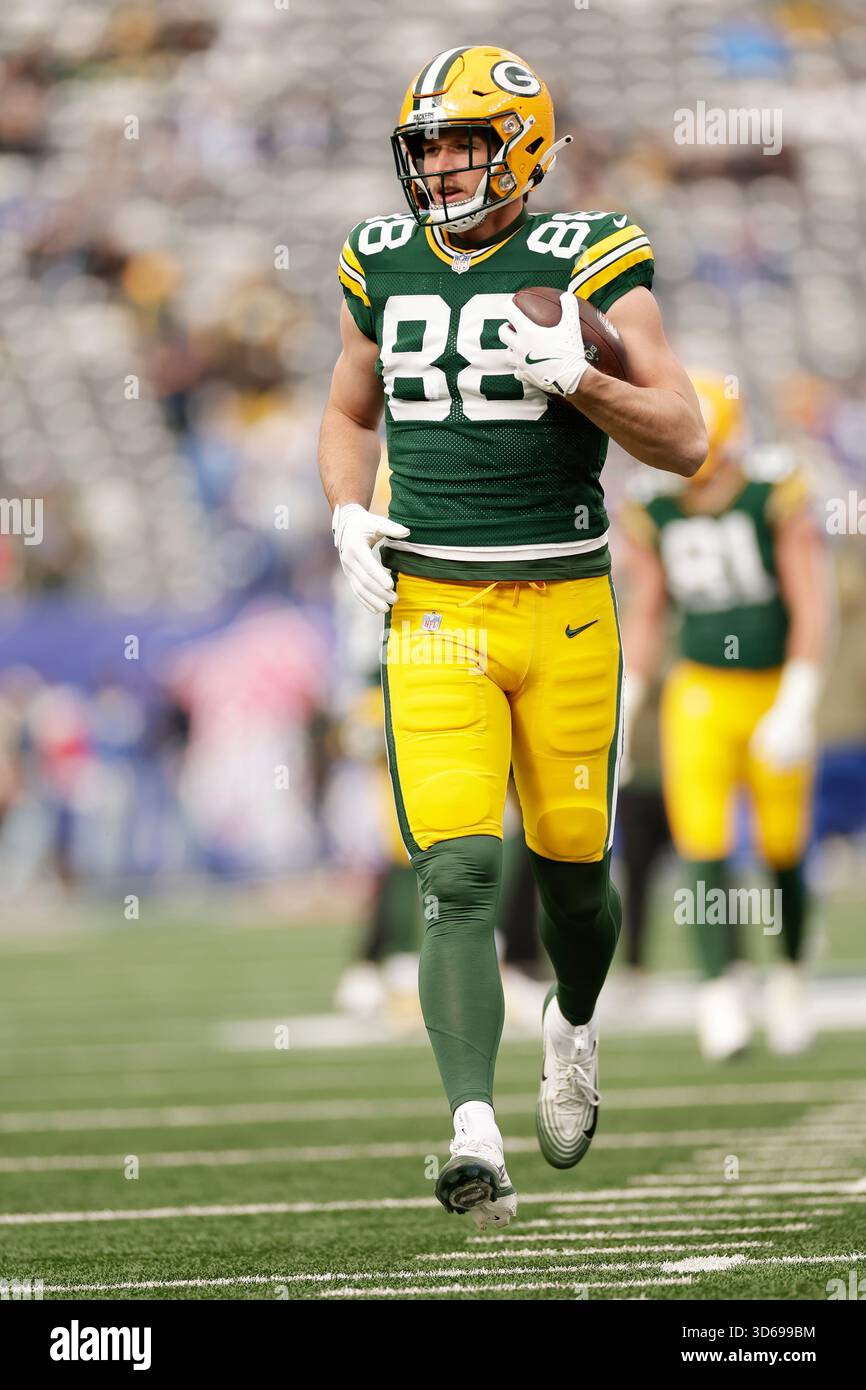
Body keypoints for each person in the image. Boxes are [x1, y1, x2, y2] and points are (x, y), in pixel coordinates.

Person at [319, 45, 706, 1228]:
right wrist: (343, 505)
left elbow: (683, 437)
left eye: (461, 141)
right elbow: (346, 405)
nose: (438, 165)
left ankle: (573, 1023)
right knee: (457, 872)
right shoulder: (376, 262)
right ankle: (469, 1128)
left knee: (576, 884)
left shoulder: (589, 253)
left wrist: (580, 380)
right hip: (434, 609)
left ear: (523, 145)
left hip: (569, 609)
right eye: (424, 144)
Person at [620, 376, 829, 1060]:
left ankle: (792, 977)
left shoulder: (775, 492)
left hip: (772, 689)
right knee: (702, 841)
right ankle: (719, 989)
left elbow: (810, 604)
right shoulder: (654, 507)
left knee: (782, 847)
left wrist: (799, 699)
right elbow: (649, 613)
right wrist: (626, 705)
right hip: (700, 692)